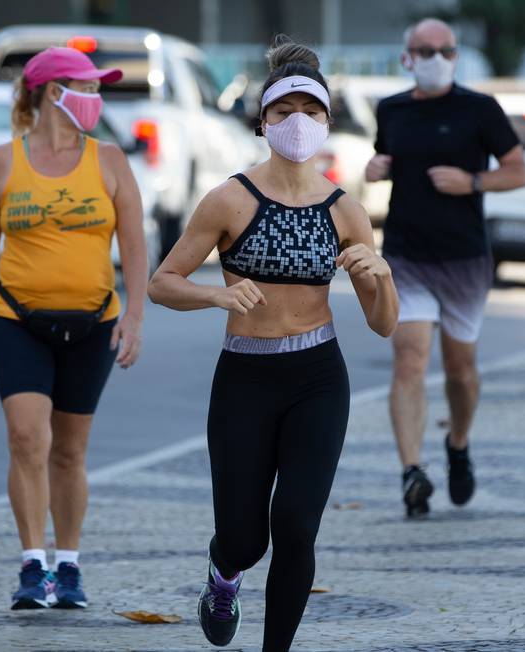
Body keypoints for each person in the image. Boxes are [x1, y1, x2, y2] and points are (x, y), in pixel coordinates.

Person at [147, 37, 399, 651]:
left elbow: (384, 324)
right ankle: (223, 572)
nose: (297, 122)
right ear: (263, 122)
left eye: (310, 112)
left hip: (318, 377)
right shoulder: (228, 199)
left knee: (295, 526)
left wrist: (382, 276)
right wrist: (216, 296)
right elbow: (162, 283)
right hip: (245, 378)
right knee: (244, 539)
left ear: (327, 122)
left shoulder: (346, 211)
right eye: (284, 111)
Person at [0, 47, 147, 609]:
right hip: (17, 321)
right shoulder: (3, 162)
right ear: (55, 92)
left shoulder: (109, 160)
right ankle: (34, 564)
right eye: (89, 87)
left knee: (70, 453)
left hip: (93, 324)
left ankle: (68, 565)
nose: (96, 98)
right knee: (28, 438)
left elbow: (134, 246)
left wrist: (134, 316)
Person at [365, 18, 525, 519]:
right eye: (425, 50)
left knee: (460, 370)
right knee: (409, 360)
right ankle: (411, 471)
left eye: (446, 50)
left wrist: (473, 182)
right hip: (406, 254)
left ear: (456, 56)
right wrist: (375, 169)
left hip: (463, 258)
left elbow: (519, 171)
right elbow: (383, 159)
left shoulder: (480, 109)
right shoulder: (391, 109)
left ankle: (458, 444)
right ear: (407, 57)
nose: (436, 58)